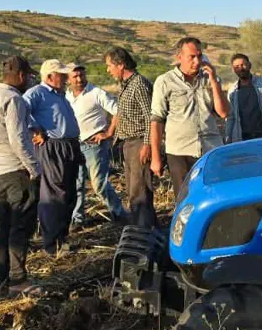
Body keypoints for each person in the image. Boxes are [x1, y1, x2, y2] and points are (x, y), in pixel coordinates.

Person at [0, 56, 42, 294]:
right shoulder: (14, 100)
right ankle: (18, 280)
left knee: (3, 227)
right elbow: (18, 138)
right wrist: (33, 167)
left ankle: (1, 279)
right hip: (16, 171)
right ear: (22, 75)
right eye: (29, 76)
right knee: (20, 227)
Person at [150, 37, 227, 198]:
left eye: (199, 56)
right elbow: (157, 120)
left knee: (214, 195)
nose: (197, 61)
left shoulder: (211, 79)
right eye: (191, 57)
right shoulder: (165, 81)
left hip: (210, 149)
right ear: (179, 57)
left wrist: (214, 81)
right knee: (185, 198)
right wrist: (156, 157)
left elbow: (224, 112)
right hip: (180, 151)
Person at [24, 58, 82, 255]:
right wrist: (35, 130)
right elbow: (21, 112)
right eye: (62, 74)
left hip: (70, 146)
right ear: (50, 76)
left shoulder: (60, 95)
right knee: (55, 194)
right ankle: (51, 244)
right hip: (53, 147)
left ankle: (62, 237)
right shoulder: (36, 94)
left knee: (70, 194)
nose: (66, 78)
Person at [66, 63, 127, 226]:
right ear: (68, 79)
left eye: (81, 75)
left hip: (94, 144)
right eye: (75, 76)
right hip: (75, 145)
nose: (79, 79)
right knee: (76, 183)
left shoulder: (96, 93)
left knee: (99, 184)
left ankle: (119, 213)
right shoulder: (66, 97)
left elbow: (118, 111)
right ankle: (77, 219)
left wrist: (109, 132)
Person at [104, 46, 156, 228]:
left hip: (139, 143)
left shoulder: (139, 84)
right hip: (129, 144)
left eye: (110, 65)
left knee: (140, 191)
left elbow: (151, 116)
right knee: (134, 191)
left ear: (121, 64)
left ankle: (143, 233)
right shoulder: (125, 86)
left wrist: (148, 145)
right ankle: (146, 230)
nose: (108, 70)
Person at [224, 53, 262, 142]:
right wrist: (228, 136)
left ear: (249, 65)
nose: (241, 68)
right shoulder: (233, 91)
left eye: (243, 65)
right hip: (242, 137)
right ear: (233, 70)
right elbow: (231, 116)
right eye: (237, 66)